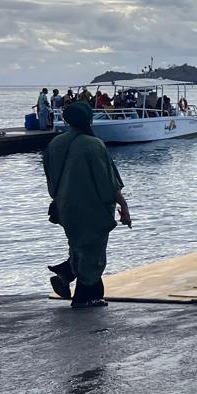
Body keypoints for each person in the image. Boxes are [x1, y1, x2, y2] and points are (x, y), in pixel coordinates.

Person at [44, 102, 130, 308]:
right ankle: (85, 296)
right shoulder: (94, 144)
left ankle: (67, 274)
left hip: (65, 206)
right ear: (89, 120)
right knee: (93, 252)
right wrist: (124, 206)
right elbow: (108, 182)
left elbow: (50, 176)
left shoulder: (55, 144)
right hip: (92, 208)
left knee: (79, 246)